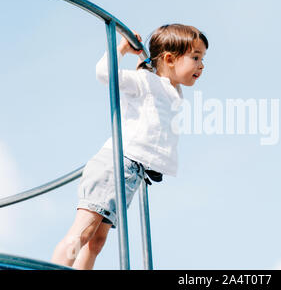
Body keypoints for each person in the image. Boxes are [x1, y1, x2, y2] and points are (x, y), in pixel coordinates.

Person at [51, 24, 208, 269]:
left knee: (97, 241)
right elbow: (105, 74)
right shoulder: (145, 82)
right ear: (169, 58)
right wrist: (122, 48)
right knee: (82, 232)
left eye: (203, 59)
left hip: (132, 172)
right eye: (196, 57)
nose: (201, 65)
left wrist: (146, 63)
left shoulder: (171, 89)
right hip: (115, 165)